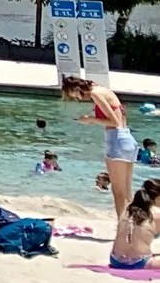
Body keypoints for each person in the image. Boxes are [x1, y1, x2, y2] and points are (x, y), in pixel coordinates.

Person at [65, 73, 138, 220]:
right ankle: (132, 229)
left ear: (77, 88)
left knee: (118, 193)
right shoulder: (104, 90)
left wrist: (90, 119)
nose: (77, 98)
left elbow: (114, 122)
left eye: (74, 95)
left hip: (116, 141)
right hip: (128, 139)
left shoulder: (95, 94)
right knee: (127, 193)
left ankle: (123, 230)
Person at [116, 178, 160, 272]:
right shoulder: (157, 213)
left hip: (115, 260)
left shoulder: (128, 209)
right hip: (139, 262)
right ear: (158, 198)